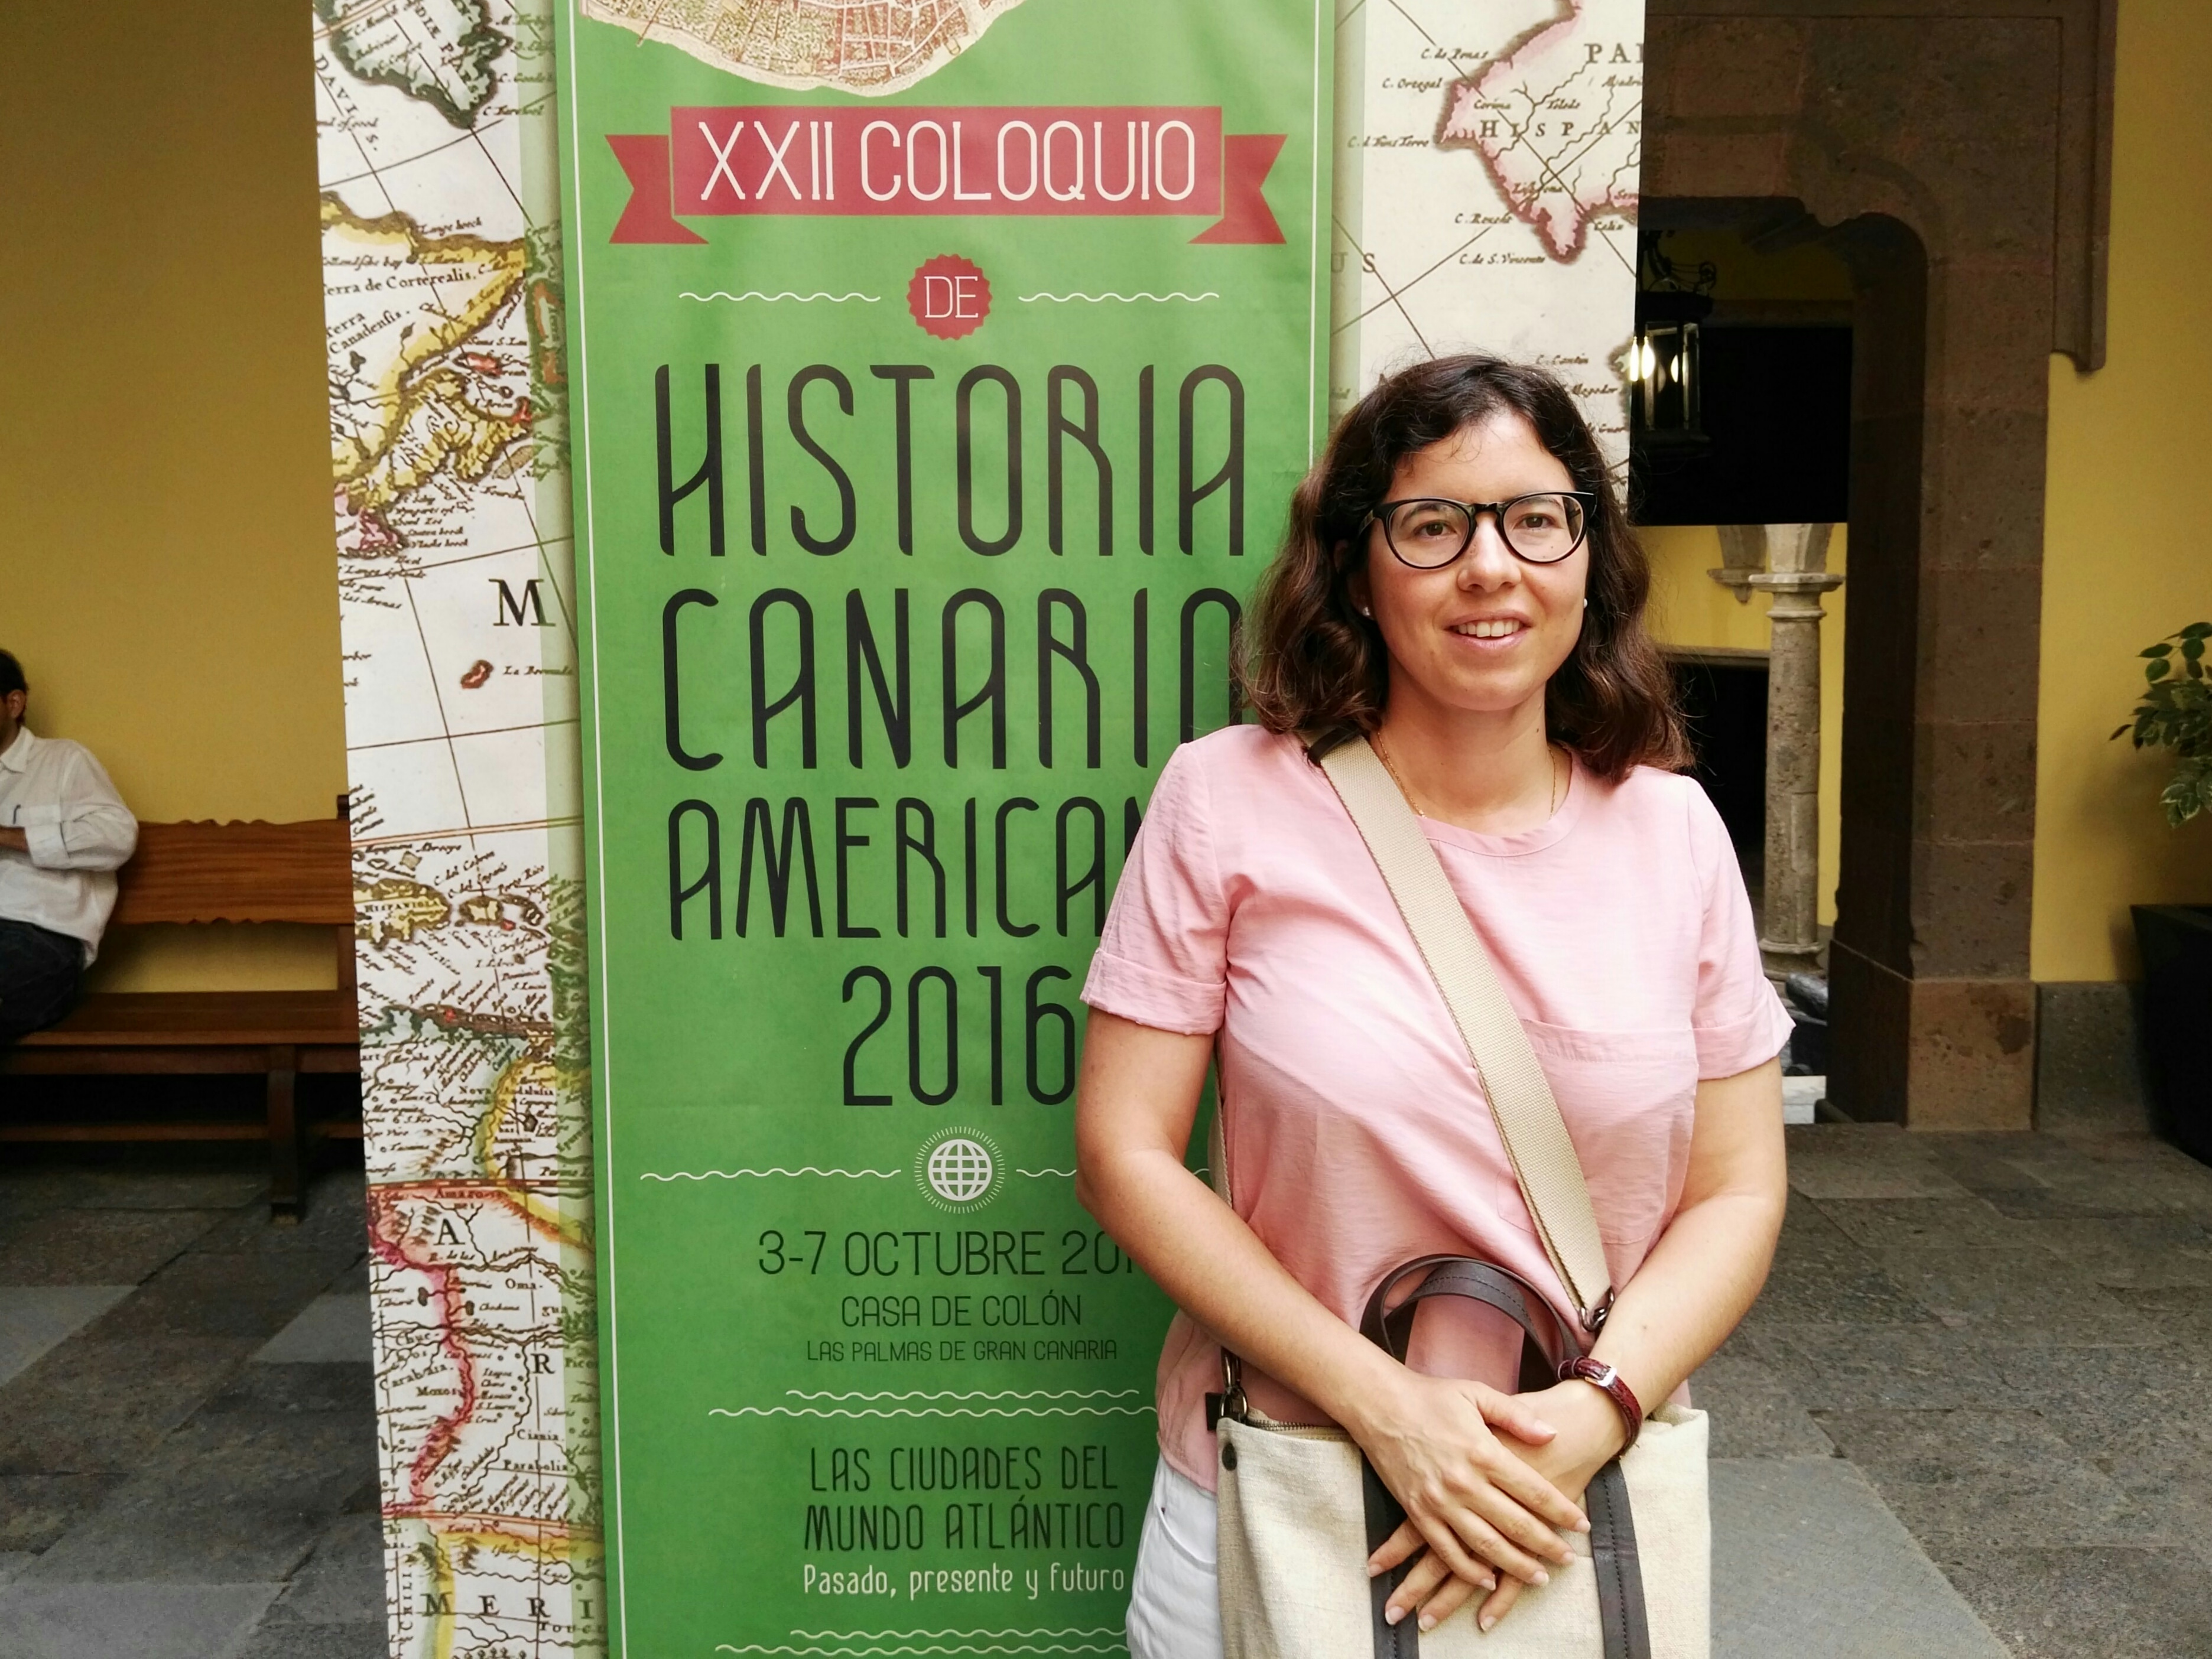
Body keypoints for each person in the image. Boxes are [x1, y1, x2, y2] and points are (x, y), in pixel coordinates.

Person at [1075, 357, 1792, 1655]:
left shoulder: (1673, 832)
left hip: (1561, 1499)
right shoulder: (1225, 800)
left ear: (1586, 556)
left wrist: (1595, 1409)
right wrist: (1386, 1408)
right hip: (1284, 1482)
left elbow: (1737, 1190)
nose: (1489, 568)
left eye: (1535, 519)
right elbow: (1125, 1154)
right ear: (1357, 568)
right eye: (1431, 525)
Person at [0, 650, 138, 1042]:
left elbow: (118, 835)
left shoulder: (63, 761)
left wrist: (8, 836)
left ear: (14, 703)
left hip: (41, 936)